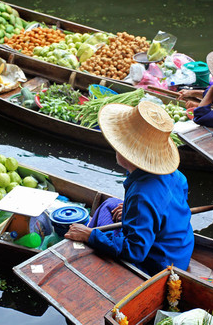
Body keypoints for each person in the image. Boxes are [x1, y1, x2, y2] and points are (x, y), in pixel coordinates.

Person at [64, 101, 194, 276]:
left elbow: (135, 251)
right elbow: (165, 208)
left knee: (96, 231)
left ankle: (82, 246)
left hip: (160, 265)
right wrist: (128, 210)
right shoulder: (176, 175)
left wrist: (90, 236)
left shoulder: (142, 195)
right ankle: (88, 233)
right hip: (181, 248)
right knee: (109, 204)